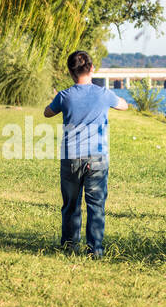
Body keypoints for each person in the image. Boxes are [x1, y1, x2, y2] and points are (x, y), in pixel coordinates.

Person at [43, 51, 129, 256]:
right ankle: (95, 249)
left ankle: (70, 246)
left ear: (70, 72)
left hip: (71, 157)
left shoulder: (64, 96)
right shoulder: (104, 94)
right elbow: (124, 106)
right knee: (96, 205)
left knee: (71, 205)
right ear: (92, 69)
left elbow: (47, 112)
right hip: (98, 158)